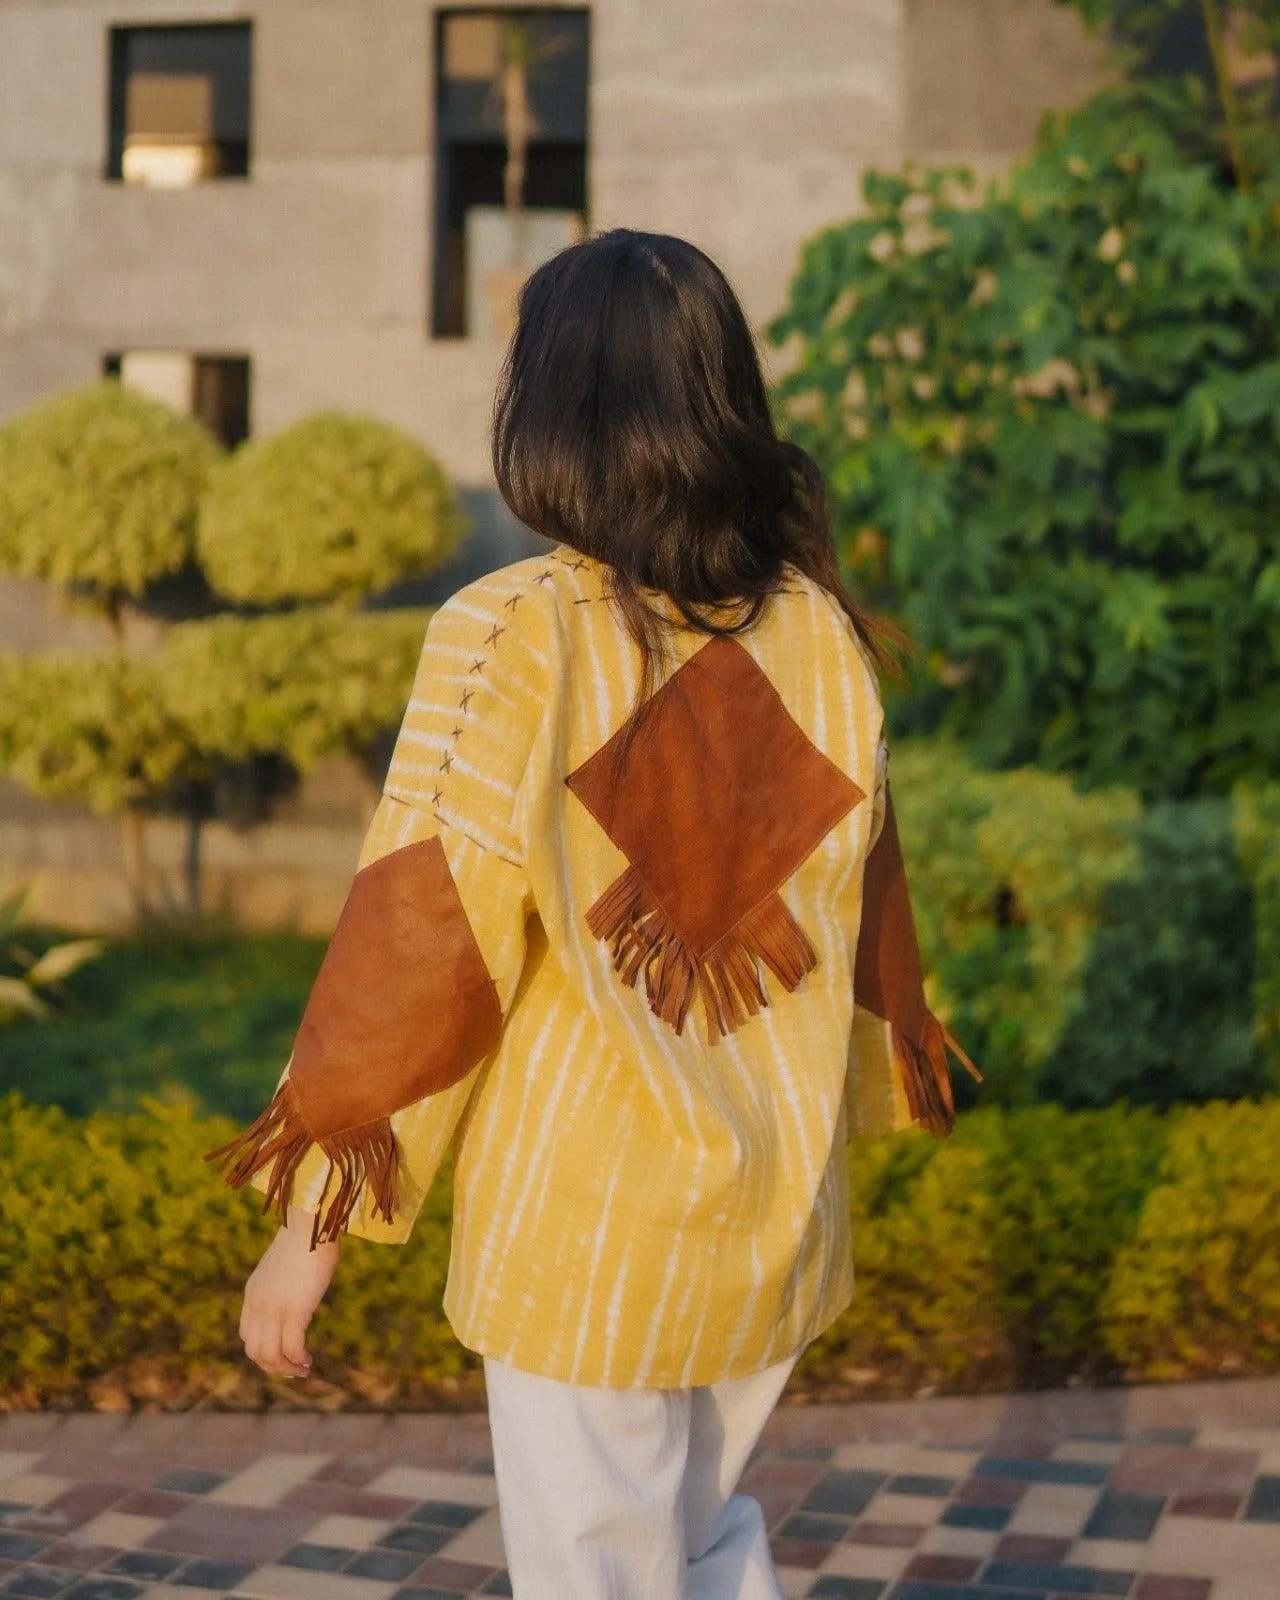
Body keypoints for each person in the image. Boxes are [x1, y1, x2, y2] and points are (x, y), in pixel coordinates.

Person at [206, 228, 977, 1600]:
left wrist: (307, 1225)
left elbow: (423, 935)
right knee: (699, 1543)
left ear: (549, 407)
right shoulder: (818, 633)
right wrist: (876, 1088)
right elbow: (871, 903)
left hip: (588, 1228)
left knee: (600, 1575)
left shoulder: (515, 631)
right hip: (776, 1206)